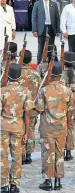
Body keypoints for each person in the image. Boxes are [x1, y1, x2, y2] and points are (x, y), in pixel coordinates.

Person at [36, 62, 74, 191]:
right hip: (61, 127)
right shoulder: (67, 90)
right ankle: (58, 180)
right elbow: (71, 110)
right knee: (59, 154)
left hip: (48, 128)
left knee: (47, 154)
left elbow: (40, 109)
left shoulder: (44, 90)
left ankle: (48, 180)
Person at [0, 63, 34, 193]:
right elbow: (28, 114)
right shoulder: (25, 92)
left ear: (8, 75)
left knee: (2, 156)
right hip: (18, 127)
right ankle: (14, 183)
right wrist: (26, 132)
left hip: (4, 126)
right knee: (17, 156)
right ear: (19, 76)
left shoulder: (2, 91)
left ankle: (3, 184)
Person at [18, 50, 41, 165]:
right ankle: (29, 154)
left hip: (19, 107)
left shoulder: (17, 73)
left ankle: (21, 153)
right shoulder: (36, 74)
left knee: (21, 130)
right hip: (32, 106)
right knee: (31, 129)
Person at [61, 51, 75, 161]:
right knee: (70, 127)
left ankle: (60, 148)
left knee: (61, 126)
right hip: (73, 102)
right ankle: (68, 151)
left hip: (61, 102)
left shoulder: (59, 74)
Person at [32, 0, 61, 64]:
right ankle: (39, 64)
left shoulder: (54, 4)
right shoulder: (37, 4)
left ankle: (51, 63)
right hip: (42, 28)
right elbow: (34, 18)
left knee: (51, 46)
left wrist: (58, 30)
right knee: (41, 47)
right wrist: (34, 30)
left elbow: (57, 18)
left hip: (51, 28)